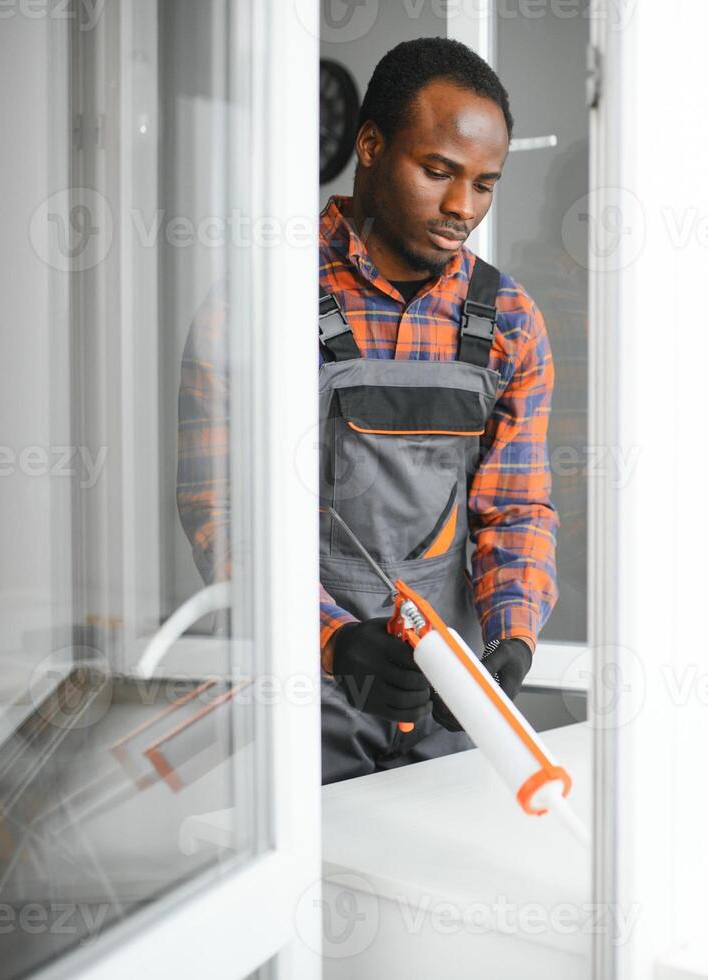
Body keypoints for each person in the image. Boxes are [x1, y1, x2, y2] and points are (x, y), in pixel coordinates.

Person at [178, 37, 558, 784]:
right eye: (438, 171)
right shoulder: (258, 306)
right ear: (372, 145)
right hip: (300, 694)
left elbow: (516, 510)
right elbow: (216, 507)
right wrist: (331, 639)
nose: (461, 209)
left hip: (449, 701)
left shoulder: (509, 319)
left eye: (484, 184)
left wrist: (512, 637)